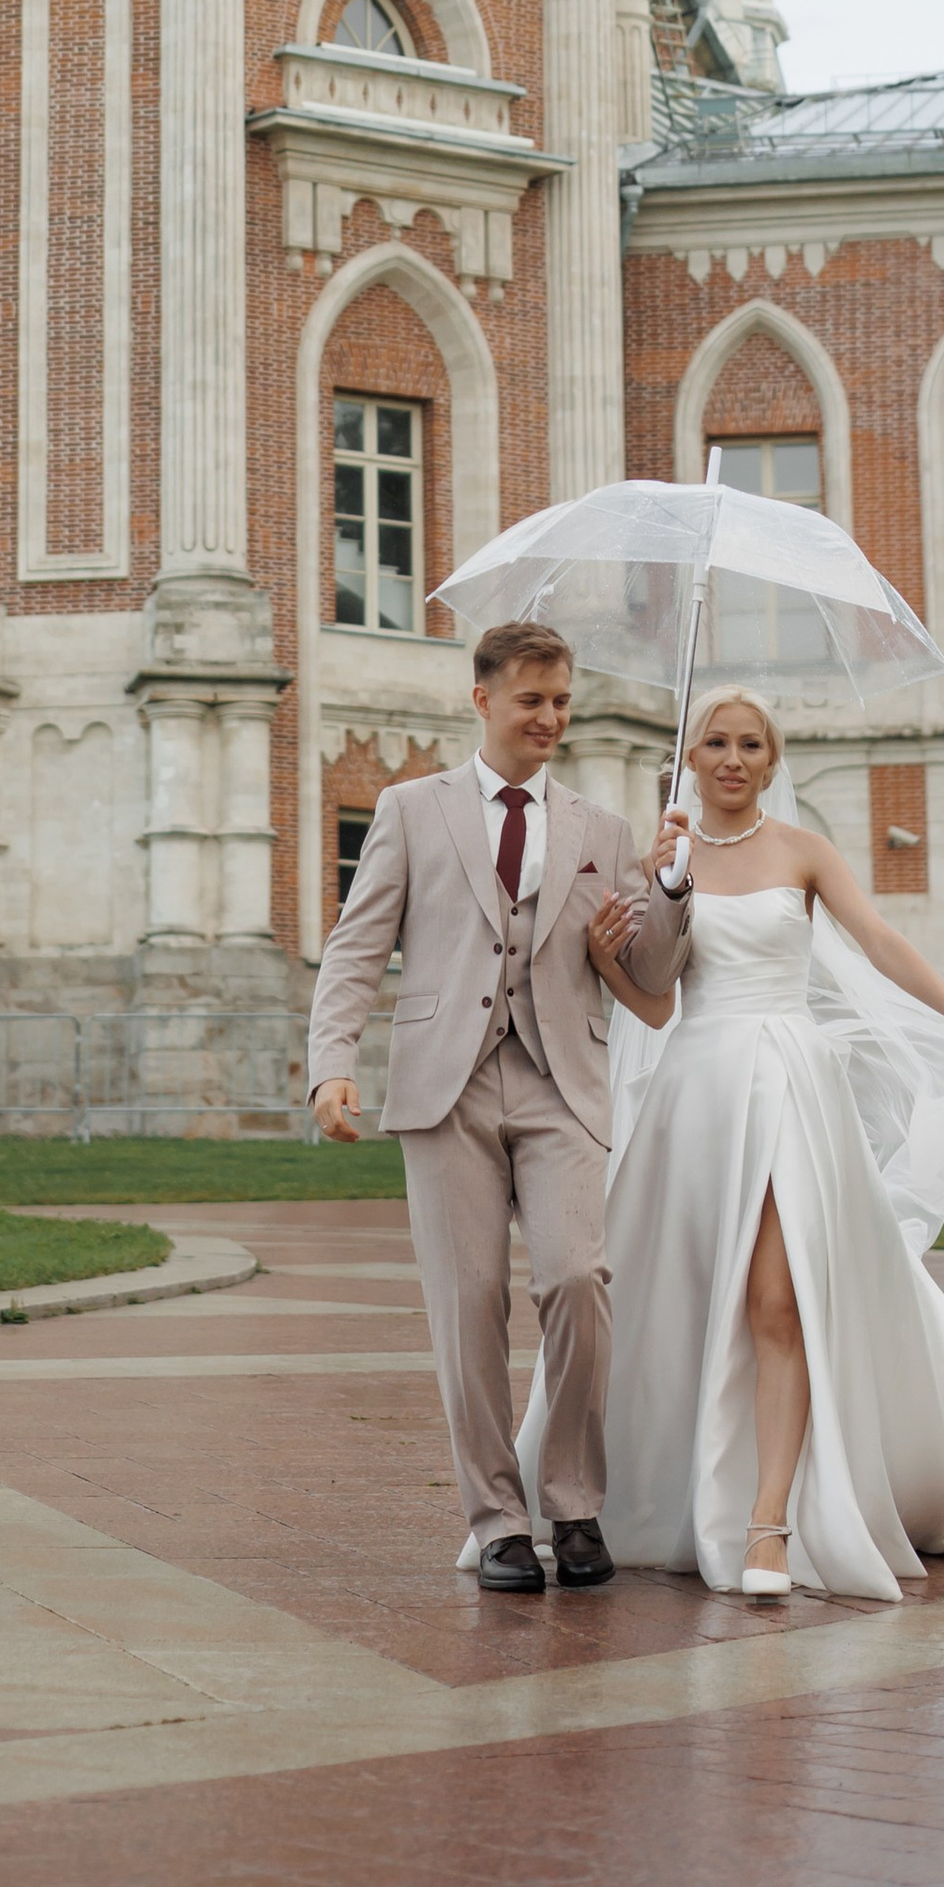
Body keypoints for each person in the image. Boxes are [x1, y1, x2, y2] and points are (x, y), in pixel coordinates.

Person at [555, 684, 944, 1600]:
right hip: (700, 1098)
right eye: (715, 742)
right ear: (689, 757)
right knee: (685, 1307)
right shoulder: (664, 861)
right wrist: (618, 944)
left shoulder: (805, 851)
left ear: (773, 758)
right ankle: (676, 1493)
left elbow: (878, 939)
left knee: (779, 1300)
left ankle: (768, 1523)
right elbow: (654, 1003)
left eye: (750, 743)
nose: (732, 758)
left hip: (790, 1086)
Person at [307, 618, 692, 1594]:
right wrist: (331, 1063)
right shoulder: (409, 809)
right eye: (532, 699)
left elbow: (652, 977)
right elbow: (357, 945)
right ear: (482, 699)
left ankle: (574, 1500)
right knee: (468, 1302)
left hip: (563, 1079)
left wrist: (671, 885)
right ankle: (498, 1521)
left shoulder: (603, 830)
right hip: (447, 1085)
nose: (550, 717)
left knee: (576, 1278)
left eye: (561, 700)